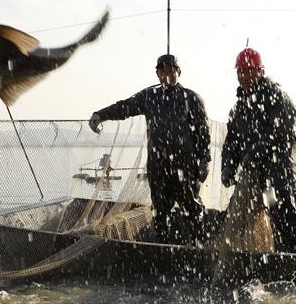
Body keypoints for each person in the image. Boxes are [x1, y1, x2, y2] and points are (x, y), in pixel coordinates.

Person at [89, 54, 211, 244]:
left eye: (171, 69)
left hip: (185, 169)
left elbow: (203, 134)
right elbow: (125, 107)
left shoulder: (191, 98)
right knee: (161, 214)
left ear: (178, 72)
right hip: (158, 168)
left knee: (193, 212)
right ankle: (162, 252)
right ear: (157, 74)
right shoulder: (149, 97)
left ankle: (200, 251)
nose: (166, 74)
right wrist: (100, 115)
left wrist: (205, 161)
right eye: (162, 70)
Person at [221, 47, 296, 253]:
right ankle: (256, 267)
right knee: (234, 217)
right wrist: (228, 166)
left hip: (279, 174)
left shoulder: (276, 97)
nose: (244, 77)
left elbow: (278, 134)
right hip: (254, 178)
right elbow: (231, 142)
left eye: (249, 72)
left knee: (286, 220)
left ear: (260, 72)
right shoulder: (239, 107)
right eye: (240, 72)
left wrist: (251, 155)